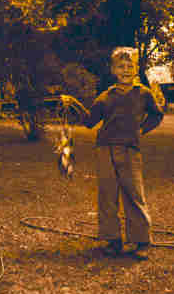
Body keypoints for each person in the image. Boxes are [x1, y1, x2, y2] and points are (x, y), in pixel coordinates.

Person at [64, 47, 164, 258]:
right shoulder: (106, 96)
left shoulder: (143, 94)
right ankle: (112, 240)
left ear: (137, 68)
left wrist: (141, 129)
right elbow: (90, 121)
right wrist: (73, 105)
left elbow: (156, 115)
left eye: (130, 66)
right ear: (113, 69)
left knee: (133, 194)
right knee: (107, 195)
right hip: (105, 149)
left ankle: (141, 241)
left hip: (129, 150)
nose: (125, 70)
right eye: (121, 66)